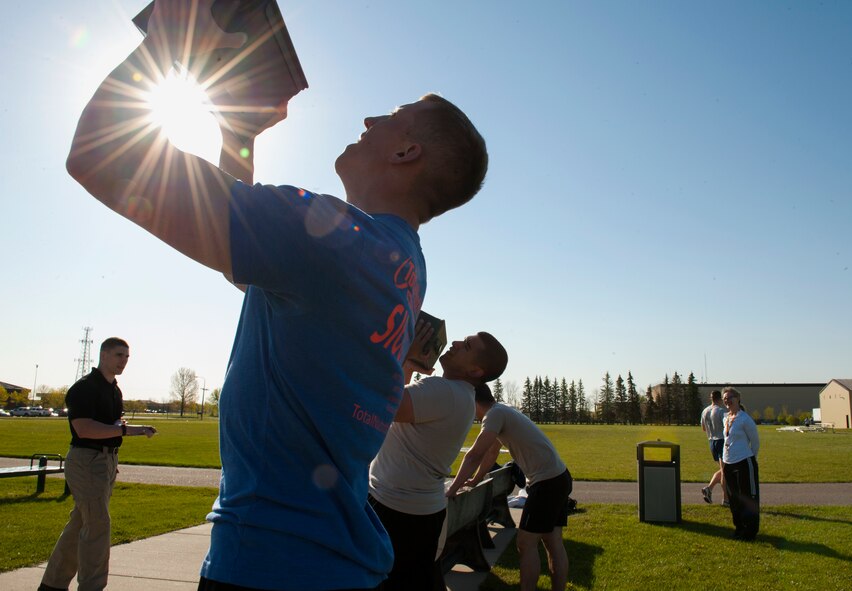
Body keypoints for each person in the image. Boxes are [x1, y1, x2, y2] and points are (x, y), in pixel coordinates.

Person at [65, 2, 488, 589]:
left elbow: (97, 157)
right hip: (335, 562)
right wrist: (239, 131)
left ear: (405, 152)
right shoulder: (402, 265)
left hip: (268, 564)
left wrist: (171, 40)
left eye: (392, 117)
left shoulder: (338, 239)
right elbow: (250, 269)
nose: (369, 119)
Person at [369, 322, 508, 590]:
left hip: (397, 512)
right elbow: (400, 402)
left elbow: (385, 404)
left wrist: (403, 355)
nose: (455, 343)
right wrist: (409, 364)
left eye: (466, 346)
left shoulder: (443, 391)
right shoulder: (460, 396)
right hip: (417, 512)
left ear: (475, 370)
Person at [39, 338, 157, 591]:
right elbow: (83, 429)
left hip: (104, 461)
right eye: (118, 355)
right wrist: (125, 432)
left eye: (127, 356)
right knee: (98, 526)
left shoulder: (114, 389)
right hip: (86, 461)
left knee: (81, 523)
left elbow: (113, 427)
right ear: (103, 355)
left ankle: (52, 585)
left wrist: (118, 447)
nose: (123, 361)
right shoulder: (84, 388)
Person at [447, 384, 571, 591]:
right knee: (552, 541)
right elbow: (491, 452)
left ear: (473, 401)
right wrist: (475, 480)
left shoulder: (494, 415)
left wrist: (452, 489)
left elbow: (475, 454)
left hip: (547, 483)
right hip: (559, 477)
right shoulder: (503, 410)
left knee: (526, 543)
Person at [721, 386, 760, 541]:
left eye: (730, 397)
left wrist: (749, 457)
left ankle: (750, 531)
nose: (727, 400)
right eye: (725, 398)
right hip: (728, 462)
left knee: (747, 497)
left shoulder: (745, 419)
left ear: (738, 399)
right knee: (734, 498)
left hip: (744, 462)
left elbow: (755, 442)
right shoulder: (726, 418)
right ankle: (739, 528)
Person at [700, 389, 728, 506]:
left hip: (711, 442)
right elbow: (728, 428)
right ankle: (726, 500)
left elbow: (703, 428)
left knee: (723, 470)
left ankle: (709, 489)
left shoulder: (705, 411)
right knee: (725, 473)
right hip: (721, 441)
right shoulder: (721, 411)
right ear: (720, 398)